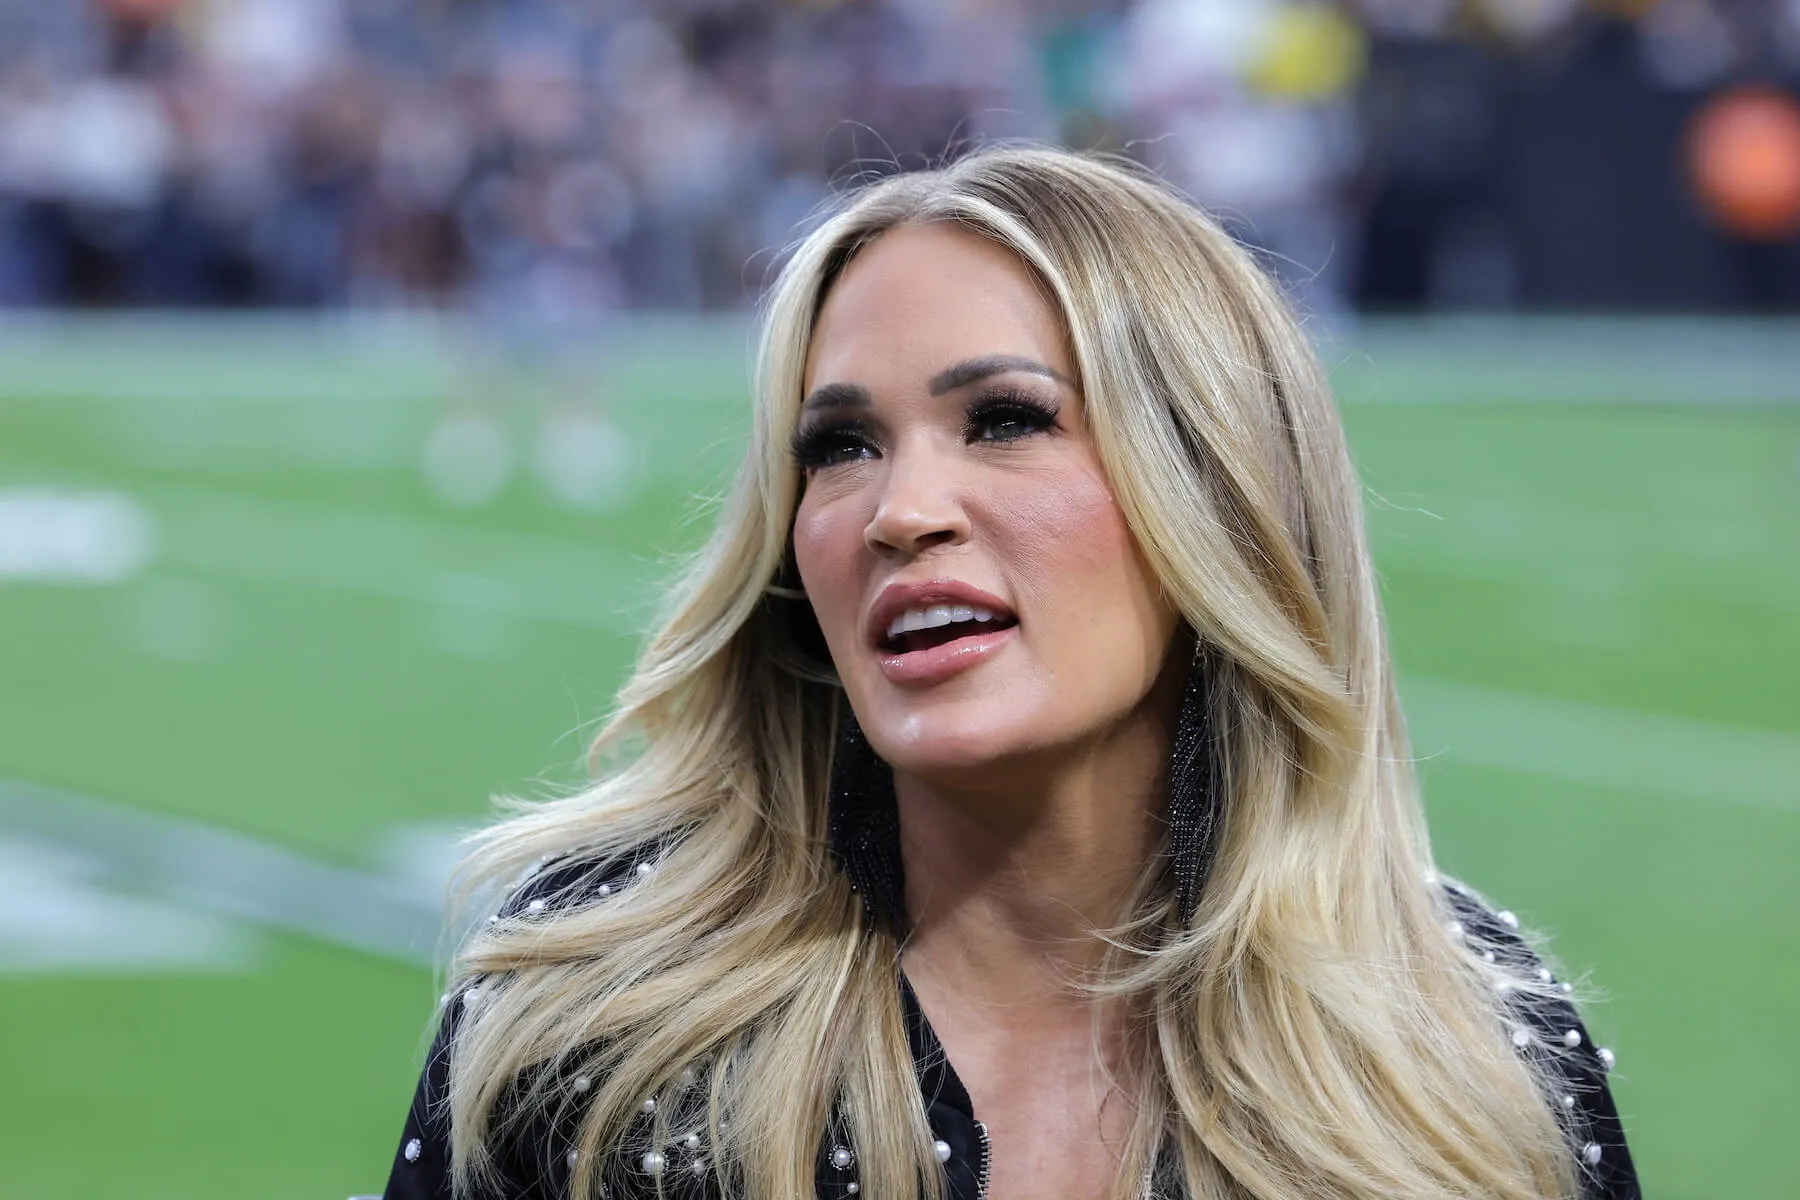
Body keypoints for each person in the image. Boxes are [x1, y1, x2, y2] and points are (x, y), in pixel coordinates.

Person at [381, 146, 1637, 1200]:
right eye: (839, 446)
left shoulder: (1468, 1031)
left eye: (1007, 420)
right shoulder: (596, 1020)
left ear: (1216, 485)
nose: (899, 510)